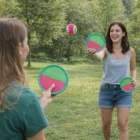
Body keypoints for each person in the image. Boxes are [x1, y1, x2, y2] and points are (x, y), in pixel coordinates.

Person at [0, 18, 55, 140]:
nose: (28, 47)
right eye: (26, 42)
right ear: (20, 48)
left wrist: (39, 104)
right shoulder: (25, 98)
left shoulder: (26, 102)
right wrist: (32, 104)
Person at [88, 21, 136, 140]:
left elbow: (133, 69)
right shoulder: (105, 50)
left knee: (123, 124)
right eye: (112, 31)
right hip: (106, 90)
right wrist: (94, 53)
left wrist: (133, 79)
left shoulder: (131, 51)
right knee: (106, 124)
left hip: (124, 91)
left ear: (123, 33)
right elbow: (99, 55)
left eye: (117, 30)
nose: (114, 33)